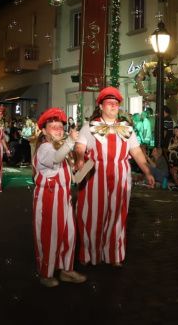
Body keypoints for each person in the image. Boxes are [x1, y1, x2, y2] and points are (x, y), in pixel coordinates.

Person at [74, 86, 155, 266]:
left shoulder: (126, 128)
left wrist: (147, 172)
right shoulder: (89, 127)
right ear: (101, 106)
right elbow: (80, 147)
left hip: (120, 174)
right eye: (109, 103)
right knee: (92, 215)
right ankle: (89, 254)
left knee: (118, 214)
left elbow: (136, 152)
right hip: (94, 173)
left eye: (116, 104)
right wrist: (80, 159)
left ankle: (114, 254)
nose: (113, 106)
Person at [32, 107, 86, 287]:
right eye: (53, 126)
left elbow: (74, 174)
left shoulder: (62, 146)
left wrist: (85, 165)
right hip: (48, 196)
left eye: (59, 127)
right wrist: (70, 142)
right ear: (44, 130)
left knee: (69, 234)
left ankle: (66, 270)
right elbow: (56, 158)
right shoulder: (45, 147)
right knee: (49, 235)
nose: (57, 129)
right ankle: (46, 273)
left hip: (64, 196)